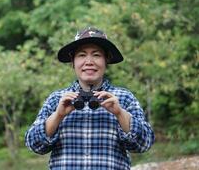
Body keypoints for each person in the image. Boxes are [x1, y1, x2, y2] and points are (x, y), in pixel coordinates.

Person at [25, 27, 155, 169]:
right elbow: (34, 145)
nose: (89, 62)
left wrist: (120, 113)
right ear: (72, 62)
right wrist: (58, 115)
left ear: (107, 60)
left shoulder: (124, 98)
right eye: (81, 55)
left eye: (96, 55)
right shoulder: (56, 99)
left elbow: (144, 144)